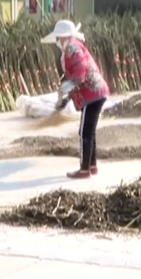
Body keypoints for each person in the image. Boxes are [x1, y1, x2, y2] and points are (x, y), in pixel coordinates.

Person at [41, 20, 109, 179]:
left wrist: (69, 86)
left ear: (63, 37)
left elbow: (80, 71)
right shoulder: (71, 48)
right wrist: (65, 98)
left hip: (93, 93)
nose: (57, 42)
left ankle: (84, 170)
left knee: (84, 132)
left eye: (58, 38)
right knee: (89, 131)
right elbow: (74, 78)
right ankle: (92, 166)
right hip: (96, 93)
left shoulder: (72, 47)